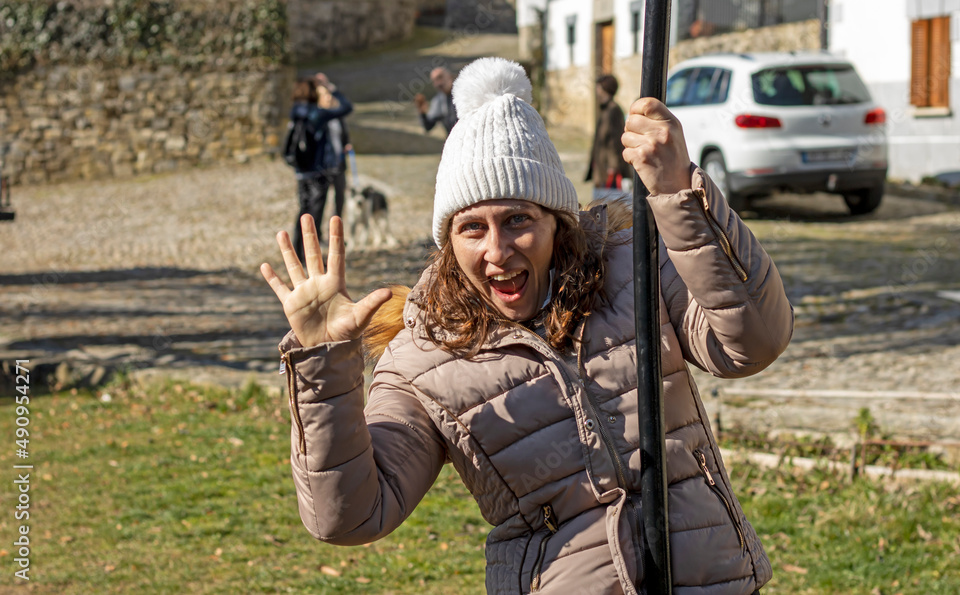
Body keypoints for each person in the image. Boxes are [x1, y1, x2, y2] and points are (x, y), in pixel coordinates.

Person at [261, 57, 793, 594]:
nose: (497, 251)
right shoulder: (422, 355)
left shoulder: (634, 268)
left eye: (518, 219)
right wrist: (324, 368)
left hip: (709, 581)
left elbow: (753, 342)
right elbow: (348, 517)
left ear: (557, 222)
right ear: (449, 243)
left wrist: (679, 193)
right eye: (472, 228)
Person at [287, 76, 353, 261]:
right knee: (313, 217)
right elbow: (346, 108)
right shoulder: (317, 113)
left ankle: (298, 254)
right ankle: (310, 259)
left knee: (303, 212)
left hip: (301, 173)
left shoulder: (296, 112)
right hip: (317, 173)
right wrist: (331, 87)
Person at [587, 73, 632, 201]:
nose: (597, 92)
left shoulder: (614, 111)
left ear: (605, 90)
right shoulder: (604, 110)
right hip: (602, 167)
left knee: (611, 206)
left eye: (599, 88)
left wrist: (613, 166)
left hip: (609, 170)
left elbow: (617, 142)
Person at [315, 72, 352, 220]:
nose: (329, 97)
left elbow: (344, 132)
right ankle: (319, 234)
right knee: (320, 201)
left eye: (330, 95)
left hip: (339, 164)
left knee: (340, 199)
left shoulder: (336, 116)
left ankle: (336, 232)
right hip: (323, 166)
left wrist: (346, 144)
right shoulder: (317, 117)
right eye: (326, 95)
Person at [414, 66, 458, 136]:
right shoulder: (438, 101)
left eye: (440, 77)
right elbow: (428, 126)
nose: (438, 83)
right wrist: (422, 112)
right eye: (435, 81)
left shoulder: (464, 93)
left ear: (450, 76)